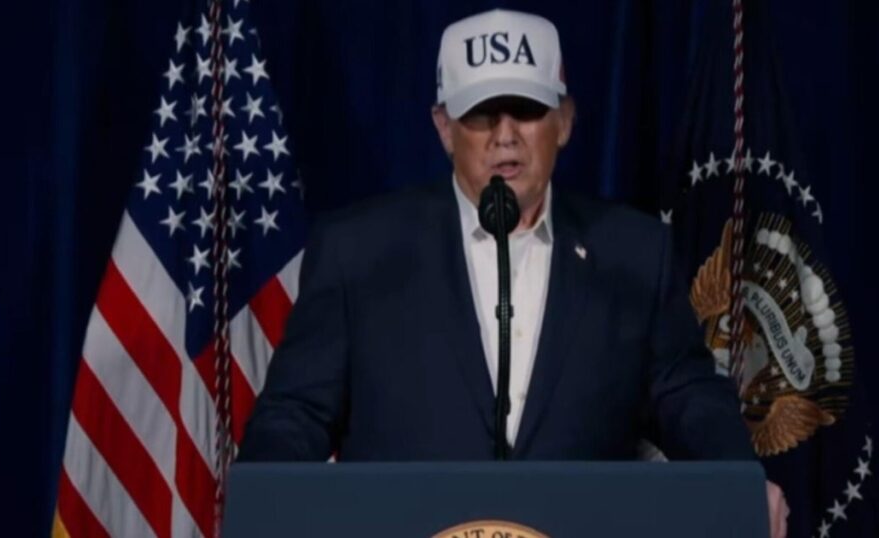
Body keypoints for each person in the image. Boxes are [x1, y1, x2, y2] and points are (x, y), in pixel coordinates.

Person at [239, 9, 788, 536]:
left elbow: (688, 396)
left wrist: (740, 481)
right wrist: (261, 505)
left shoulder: (634, 254)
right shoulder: (359, 252)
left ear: (565, 121)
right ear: (443, 128)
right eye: (481, 114)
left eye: (525, 111)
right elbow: (296, 413)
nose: (505, 136)